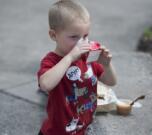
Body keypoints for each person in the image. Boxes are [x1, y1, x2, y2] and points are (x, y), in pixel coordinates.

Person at [37, 0, 117, 135]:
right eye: (74, 37)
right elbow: (45, 84)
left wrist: (106, 65)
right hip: (56, 132)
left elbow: (111, 82)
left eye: (85, 36)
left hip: (81, 129)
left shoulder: (87, 58)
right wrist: (69, 58)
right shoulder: (52, 61)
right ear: (53, 35)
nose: (82, 42)